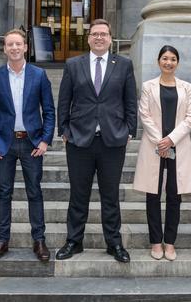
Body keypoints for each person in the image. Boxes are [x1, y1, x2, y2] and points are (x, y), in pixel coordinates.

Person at [56, 18, 137, 263]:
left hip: (112, 140)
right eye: (95, 34)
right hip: (80, 140)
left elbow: (130, 101)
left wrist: (130, 130)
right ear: (88, 38)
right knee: (78, 195)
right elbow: (64, 101)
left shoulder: (123, 65)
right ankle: (74, 241)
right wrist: (64, 130)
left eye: (104, 33)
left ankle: (114, 243)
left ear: (111, 38)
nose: (99, 37)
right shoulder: (73, 64)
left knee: (110, 195)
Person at [0, 29, 55, 262]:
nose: (14, 48)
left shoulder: (39, 74)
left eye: (18, 44)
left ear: (26, 47)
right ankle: (2, 241)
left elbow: (49, 111)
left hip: (32, 142)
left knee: (35, 191)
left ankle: (39, 241)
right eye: (9, 44)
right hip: (5, 143)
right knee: (4, 192)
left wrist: (45, 140)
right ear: (4, 48)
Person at [133, 45, 191, 261]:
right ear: (158, 61)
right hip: (154, 146)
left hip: (178, 146)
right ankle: (155, 242)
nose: (168, 62)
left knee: (174, 194)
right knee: (152, 194)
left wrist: (171, 140)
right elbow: (144, 114)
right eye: (165, 58)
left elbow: (190, 118)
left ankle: (169, 242)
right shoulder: (148, 86)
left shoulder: (186, 87)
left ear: (177, 63)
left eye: (172, 59)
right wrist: (161, 142)